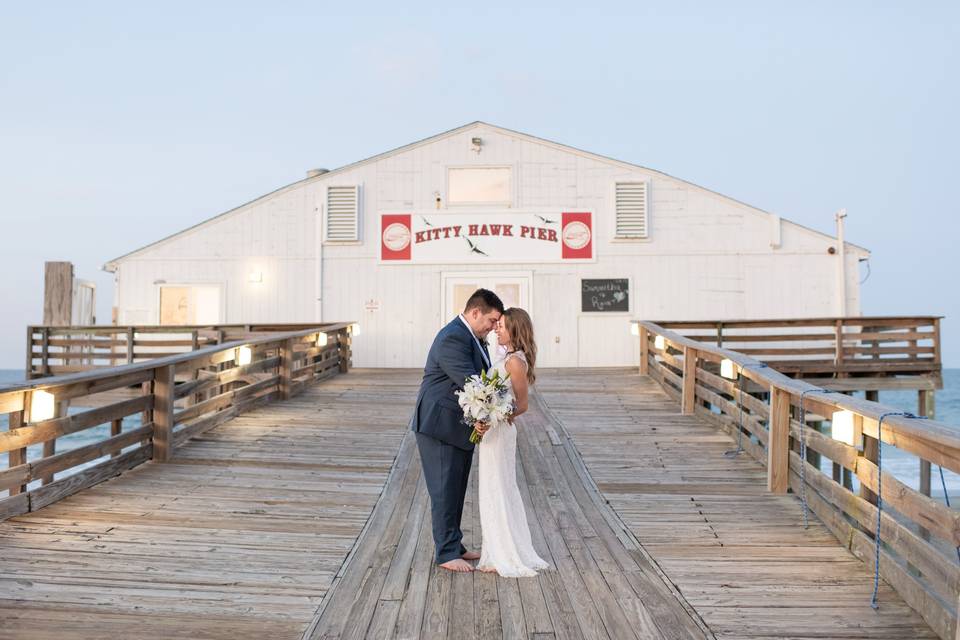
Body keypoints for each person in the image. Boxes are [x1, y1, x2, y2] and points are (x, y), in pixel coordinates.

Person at [411, 288, 503, 573]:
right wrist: (498, 406)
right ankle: (446, 552)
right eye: (491, 320)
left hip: (457, 426)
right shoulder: (454, 337)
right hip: (439, 426)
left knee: (456, 487)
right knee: (443, 489)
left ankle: (455, 543)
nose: (493, 327)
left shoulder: (472, 337)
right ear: (475, 312)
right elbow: (472, 381)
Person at [476, 307, 549, 576]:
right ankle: (494, 551)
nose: (497, 328)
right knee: (492, 487)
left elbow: (522, 405)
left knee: (499, 487)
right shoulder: (507, 357)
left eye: (502, 326)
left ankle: (504, 555)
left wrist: (492, 417)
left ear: (515, 330)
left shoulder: (515, 362)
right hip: (492, 432)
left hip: (500, 432)